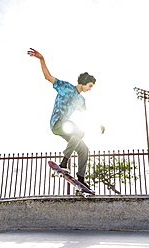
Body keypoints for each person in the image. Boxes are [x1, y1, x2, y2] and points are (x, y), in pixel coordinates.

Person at [27, 48, 104, 189]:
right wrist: (42, 59)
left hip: (65, 128)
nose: (90, 89)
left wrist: (99, 124)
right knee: (80, 132)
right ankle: (64, 163)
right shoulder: (65, 87)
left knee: (84, 150)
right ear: (84, 82)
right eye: (90, 86)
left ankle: (81, 178)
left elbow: (87, 115)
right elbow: (48, 77)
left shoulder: (81, 100)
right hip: (58, 121)